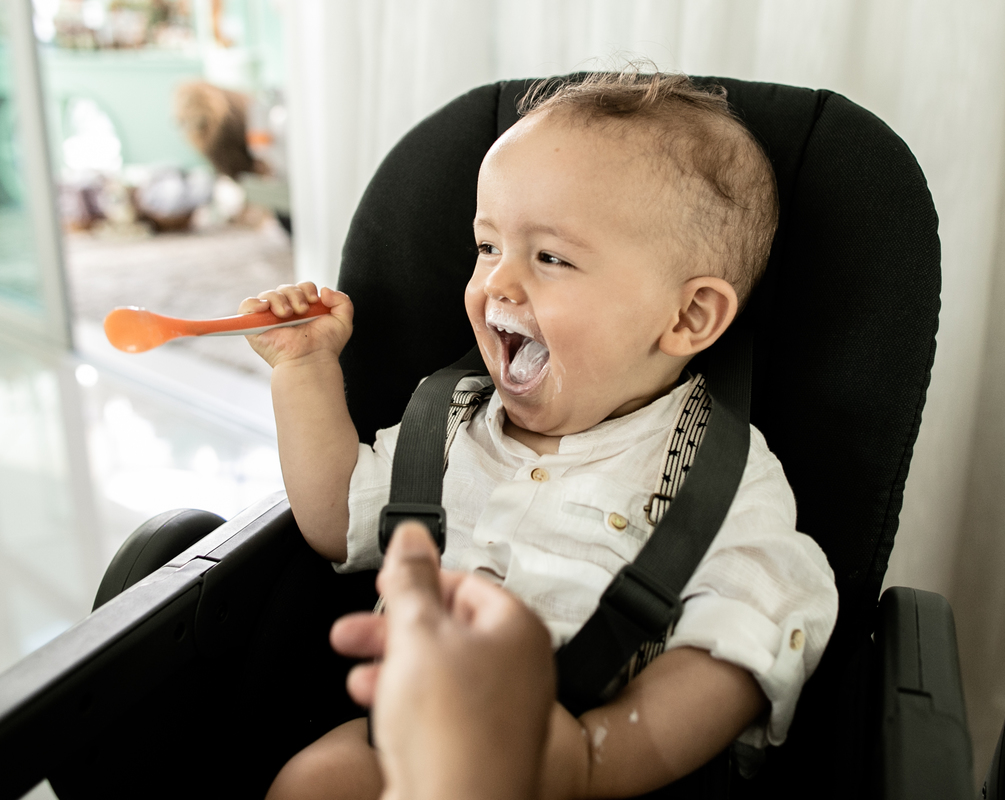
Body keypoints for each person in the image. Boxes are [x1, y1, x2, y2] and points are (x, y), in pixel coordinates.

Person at [249, 70, 839, 800]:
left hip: (576, 752)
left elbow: (748, 640)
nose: (498, 283)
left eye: (550, 257)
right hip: (406, 736)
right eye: (488, 246)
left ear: (687, 319)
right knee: (311, 780)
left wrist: (591, 759)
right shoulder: (450, 424)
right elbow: (337, 520)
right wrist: (303, 370)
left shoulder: (718, 473)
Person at [330, 521, 555, 800]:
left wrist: (584, 761)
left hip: (545, 732)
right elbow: (331, 527)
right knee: (316, 780)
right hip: (400, 704)